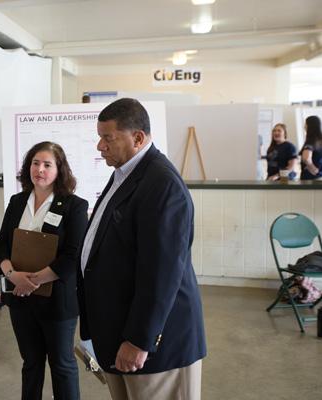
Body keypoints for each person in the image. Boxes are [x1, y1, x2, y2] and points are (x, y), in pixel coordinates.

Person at [77, 98, 206, 400]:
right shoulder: (126, 173)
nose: (99, 146)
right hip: (117, 333)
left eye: (107, 138)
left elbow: (161, 274)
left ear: (137, 138)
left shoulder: (162, 184)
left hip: (153, 348)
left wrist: (139, 341)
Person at [0, 141, 88, 400]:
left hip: (57, 301)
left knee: (62, 365)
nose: (40, 170)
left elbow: (72, 256)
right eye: (35, 163)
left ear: (60, 170)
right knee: (31, 364)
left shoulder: (74, 206)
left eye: (48, 164)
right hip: (20, 299)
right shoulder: (17, 201)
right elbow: (1, 246)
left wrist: (31, 281)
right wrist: (12, 276)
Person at [300, 115, 322, 180]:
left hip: (311, 178)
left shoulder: (311, 141)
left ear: (309, 126)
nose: (304, 127)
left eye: (305, 124)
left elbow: (306, 158)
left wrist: (313, 169)